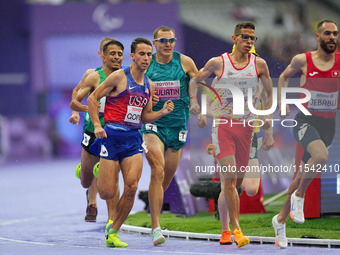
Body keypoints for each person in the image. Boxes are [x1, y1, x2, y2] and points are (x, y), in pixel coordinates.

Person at [87, 37, 174, 248]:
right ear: (132, 56)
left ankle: (114, 231)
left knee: (132, 187)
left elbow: (144, 117)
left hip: (133, 140)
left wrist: (161, 112)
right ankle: (100, 169)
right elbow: (92, 99)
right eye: (142, 54)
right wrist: (98, 125)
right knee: (106, 192)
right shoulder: (119, 77)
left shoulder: (149, 85)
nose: (146, 58)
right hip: (111, 137)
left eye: (149, 54)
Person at [194, 21, 273, 248]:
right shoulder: (219, 63)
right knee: (229, 181)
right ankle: (231, 231)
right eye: (245, 38)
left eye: (252, 39)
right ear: (234, 38)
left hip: (248, 129)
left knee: (239, 185)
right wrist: (199, 108)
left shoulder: (259, 65)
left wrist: (269, 122)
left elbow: (269, 95)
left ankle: (229, 227)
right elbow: (200, 82)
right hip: (224, 127)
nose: (249, 42)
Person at [273, 19, 339, 249]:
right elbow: (282, 77)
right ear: (318, 36)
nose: (332, 37)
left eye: (335, 34)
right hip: (304, 121)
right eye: (328, 33)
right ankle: (300, 196)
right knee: (320, 157)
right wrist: (282, 104)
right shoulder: (303, 60)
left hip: (328, 126)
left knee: (301, 174)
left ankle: (280, 220)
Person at [139, 25, 200, 246]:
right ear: (154, 43)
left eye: (171, 40)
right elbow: (136, 87)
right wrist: (148, 100)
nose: (168, 44)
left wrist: (193, 100)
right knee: (158, 168)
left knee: (163, 182)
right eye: (163, 41)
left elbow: (196, 79)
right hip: (154, 125)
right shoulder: (147, 65)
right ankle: (156, 227)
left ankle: (152, 201)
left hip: (178, 128)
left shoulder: (184, 62)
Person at [69, 37, 116, 222]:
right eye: (109, 52)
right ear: (101, 54)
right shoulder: (92, 74)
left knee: (106, 170)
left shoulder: (122, 76)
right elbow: (76, 93)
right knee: (86, 180)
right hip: (91, 129)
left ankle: (96, 206)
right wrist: (76, 113)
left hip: (113, 131)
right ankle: (84, 171)